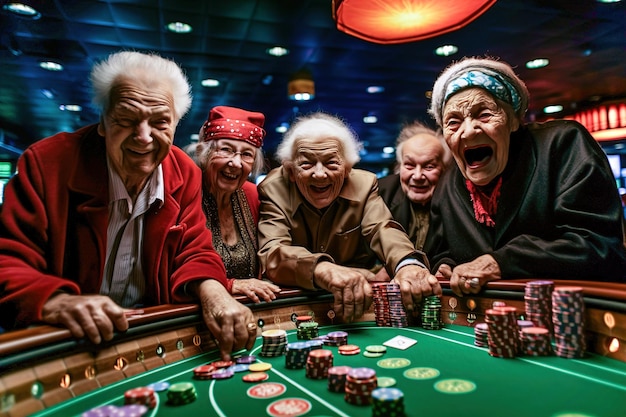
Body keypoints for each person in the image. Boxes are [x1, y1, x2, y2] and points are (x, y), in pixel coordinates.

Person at [0, 51, 257, 360]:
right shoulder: (48, 163)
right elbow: (8, 259)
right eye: (127, 119)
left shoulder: (185, 171)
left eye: (161, 121)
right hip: (66, 344)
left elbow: (194, 250)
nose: (144, 137)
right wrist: (58, 301)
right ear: (104, 121)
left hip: (148, 339)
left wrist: (215, 292)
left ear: (175, 124)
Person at [424, 56, 626, 297]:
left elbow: (598, 245)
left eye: (484, 115)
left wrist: (501, 262)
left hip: (582, 312)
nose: (468, 132)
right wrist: (445, 267)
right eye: (453, 122)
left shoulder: (562, 144)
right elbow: (441, 253)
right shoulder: (447, 184)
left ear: (513, 121)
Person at [257, 112, 441, 323]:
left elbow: (383, 229)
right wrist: (322, 269)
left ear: (347, 169)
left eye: (331, 164)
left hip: (358, 307)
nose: (319, 174)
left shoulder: (364, 184)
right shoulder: (273, 188)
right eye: (306, 164)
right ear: (290, 171)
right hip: (297, 306)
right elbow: (273, 251)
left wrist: (407, 264)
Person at [188, 106, 281, 303]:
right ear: (203, 153)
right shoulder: (187, 192)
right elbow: (175, 265)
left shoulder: (253, 195)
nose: (236, 163)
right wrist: (229, 285)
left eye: (247, 154)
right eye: (226, 150)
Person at [378, 121, 451, 251]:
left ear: (444, 170)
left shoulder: (456, 202)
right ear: (399, 167)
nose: (417, 176)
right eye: (409, 165)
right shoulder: (379, 195)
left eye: (429, 167)